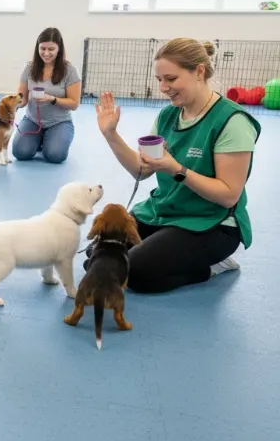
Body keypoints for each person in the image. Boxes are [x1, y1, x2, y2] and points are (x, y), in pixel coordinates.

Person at [95, 38, 260, 294]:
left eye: (170, 79)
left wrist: (177, 169)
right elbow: (142, 169)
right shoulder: (167, 116)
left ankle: (214, 265)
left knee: (136, 273)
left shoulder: (232, 121)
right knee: (99, 257)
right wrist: (110, 134)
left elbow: (228, 196)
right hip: (165, 212)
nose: (163, 88)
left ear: (199, 72)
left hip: (212, 223)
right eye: (159, 79)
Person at [11, 27, 81, 164]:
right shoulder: (29, 68)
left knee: (55, 156)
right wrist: (13, 106)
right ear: (38, 47)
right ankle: (39, 139)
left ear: (59, 49)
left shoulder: (70, 71)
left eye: (51, 49)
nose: (46, 53)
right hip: (32, 120)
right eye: (42, 48)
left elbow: (74, 104)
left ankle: (52, 139)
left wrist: (52, 99)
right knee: (20, 153)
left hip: (59, 122)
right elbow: (22, 97)